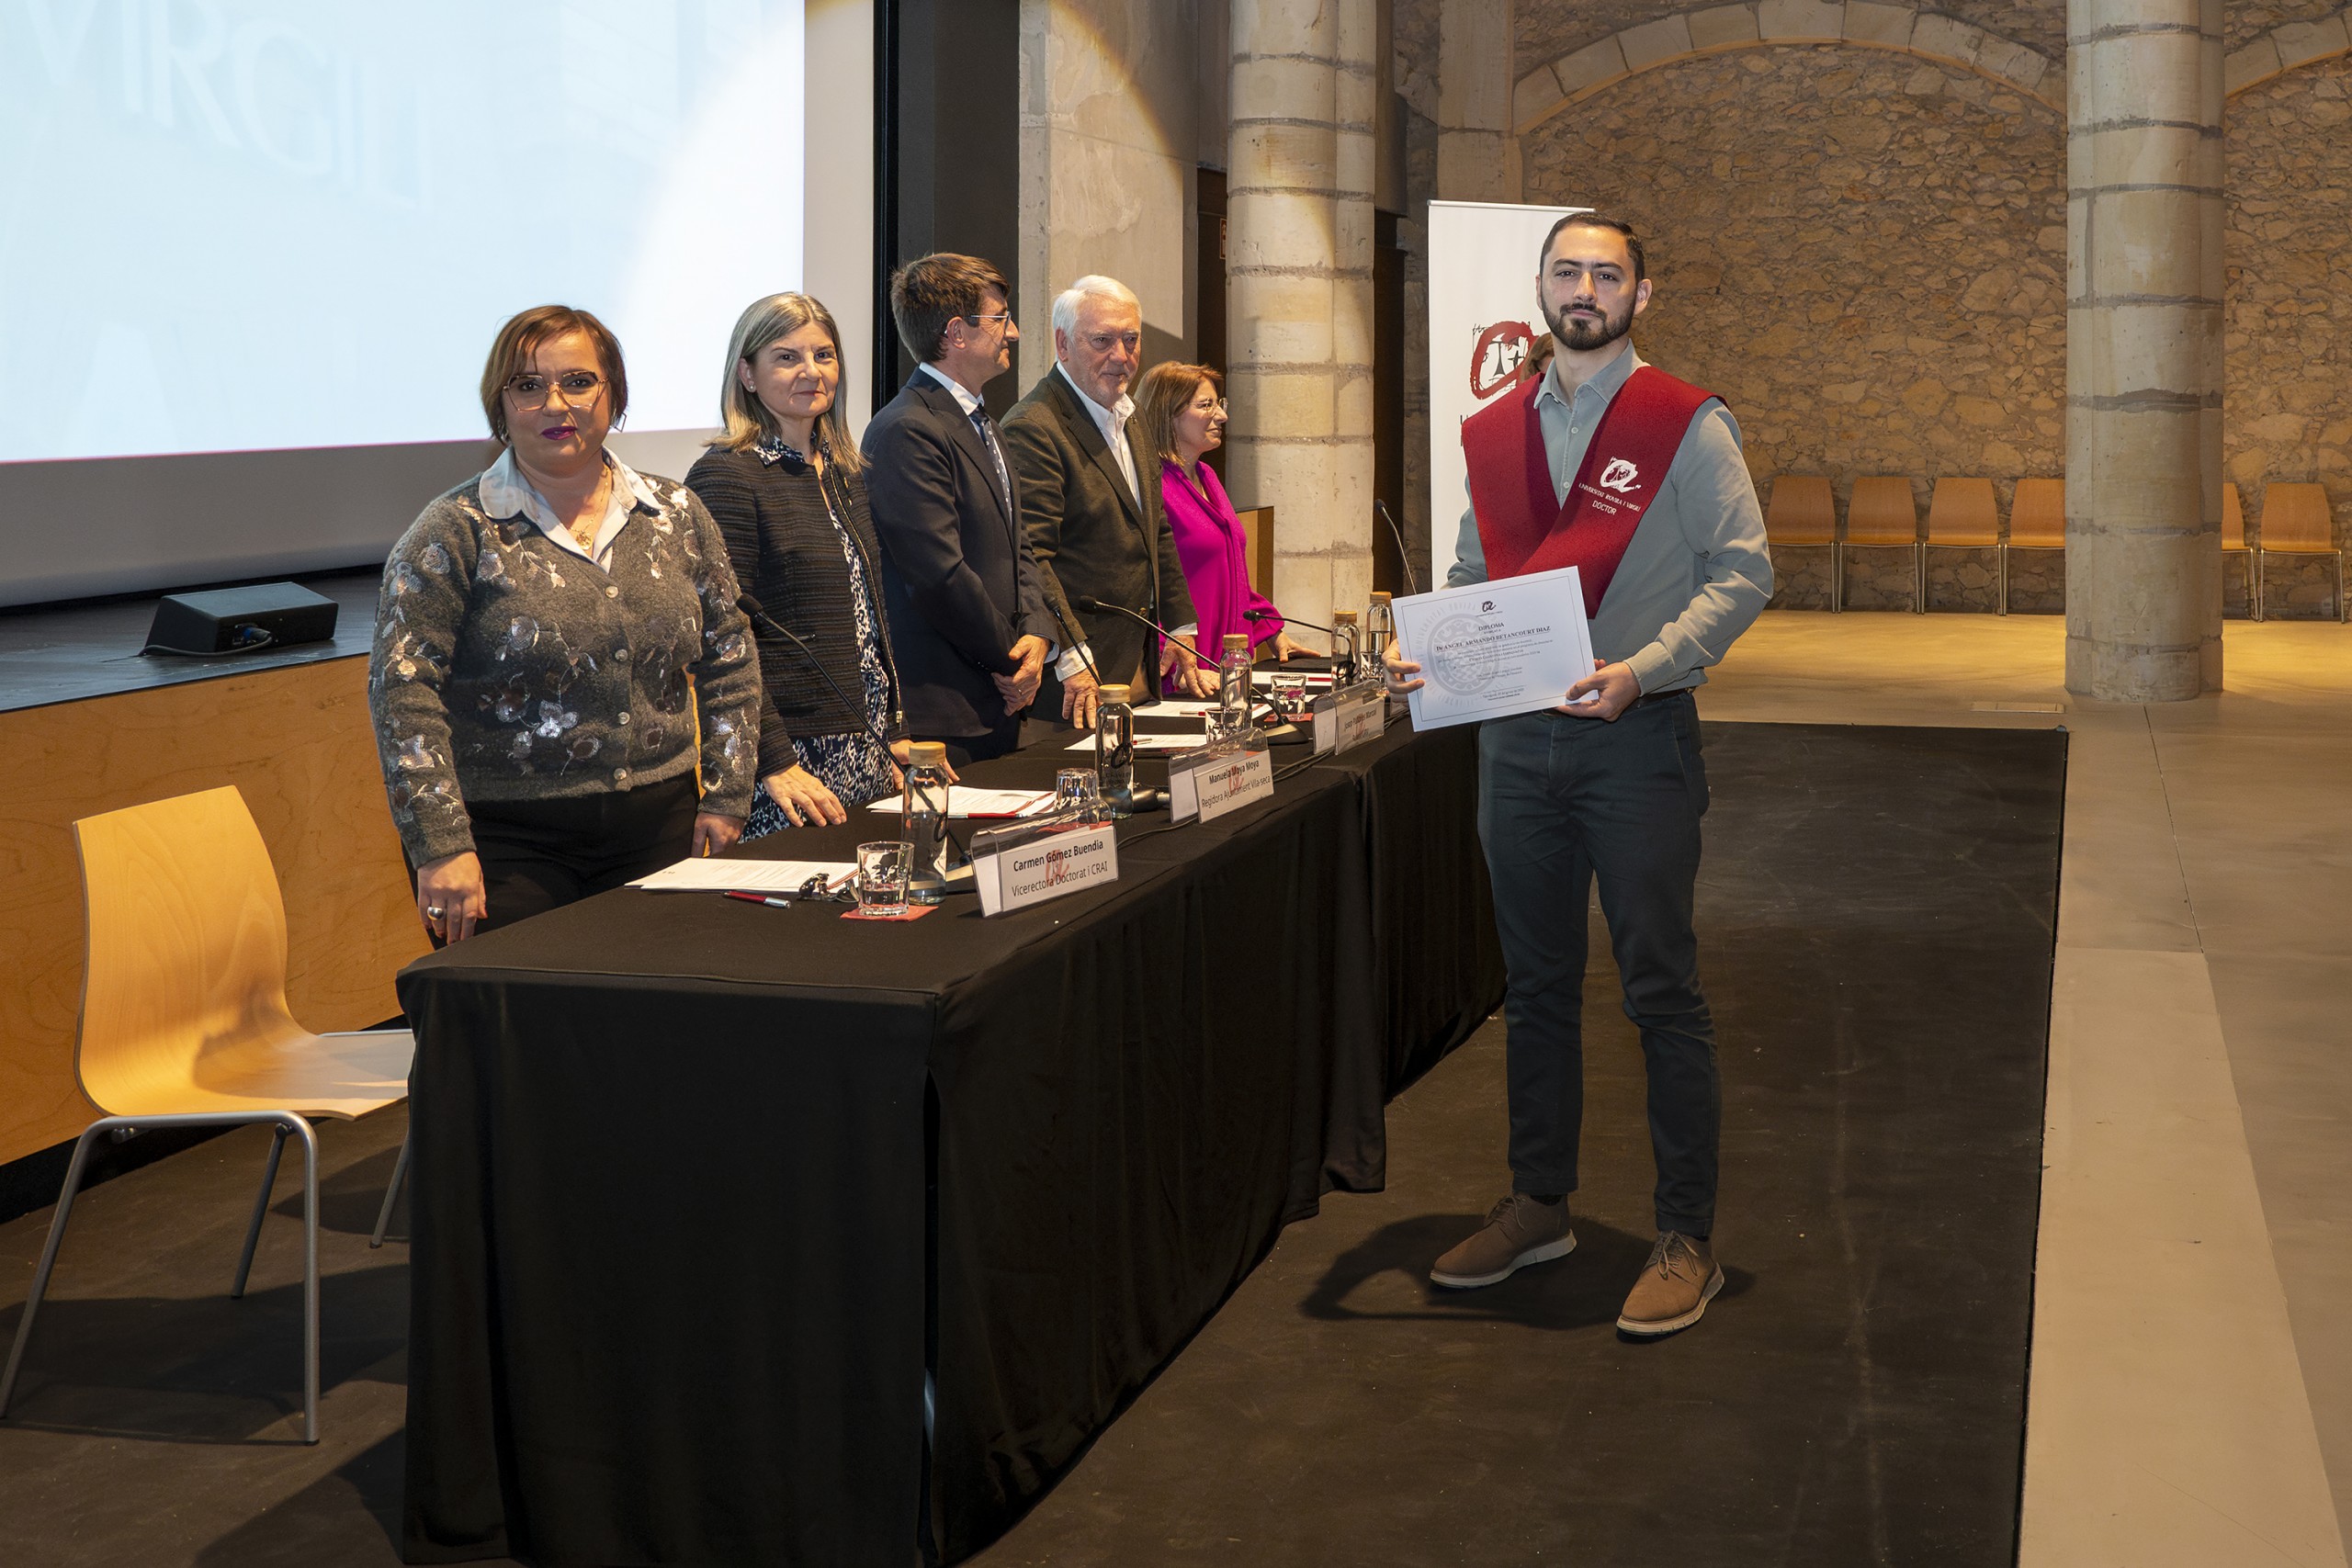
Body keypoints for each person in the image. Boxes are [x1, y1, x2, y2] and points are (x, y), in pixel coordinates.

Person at [1386, 214, 1772, 1337]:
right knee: (1537, 985)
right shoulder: (1498, 427)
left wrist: (1643, 671)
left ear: (1639, 295)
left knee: (1660, 989)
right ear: (1542, 288)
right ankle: (1539, 1205)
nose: (1586, 289)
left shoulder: (1683, 423)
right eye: (1569, 272)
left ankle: (1686, 1236)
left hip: (1635, 740)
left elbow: (1743, 573)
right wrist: (1438, 650)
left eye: (1608, 274)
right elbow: (1474, 571)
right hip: (1515, 746)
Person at [369, 304, 760, 942]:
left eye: (578, 381)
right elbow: (402, 693)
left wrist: (727, 794)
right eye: (528, 385)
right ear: (501, 406)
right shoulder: (452, 532)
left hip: (663, 829)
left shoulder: (677, 513)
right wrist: (439, 845)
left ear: (614, 394)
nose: (556, 403)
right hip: (506, 845)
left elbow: (730, 656)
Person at [686, 293, 949, 834]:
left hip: (866, 747)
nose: (812, 371)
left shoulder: (843, 471)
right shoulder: (726, 476)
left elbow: (868, 618)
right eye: (787, 357)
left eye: (824, 355)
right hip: (789, 763)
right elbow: (723, 639)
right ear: (747, 374)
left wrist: (893, 730)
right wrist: (773, 760)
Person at [861, 254, 1060, 764]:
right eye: (1000, 319)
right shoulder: (906, 429)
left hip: (999, 700)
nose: (1013, 332)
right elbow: (939, 576)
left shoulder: (984, 423)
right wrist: (1011, 661)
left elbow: (1020, 546)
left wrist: (1038, 633)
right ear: (957, 333)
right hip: (947, 713)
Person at [1000, 276, 1210, 728]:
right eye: (1102, 340)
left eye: (1131, 339)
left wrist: (1180, 627)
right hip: (1072, 679)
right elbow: (1031, 557)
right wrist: (1072, 654)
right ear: (1063, 344)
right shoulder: (1034, 427)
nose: (1121, 355)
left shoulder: (1130, 415)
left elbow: (1155, 529)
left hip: (1136, 663)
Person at [1132, 361, 1307, 665]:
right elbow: (1141, 589)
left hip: (1226, 665)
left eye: (1219, 404)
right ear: (1168, 413)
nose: (1222, 416)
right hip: (1183, 668)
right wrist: (1171, 655)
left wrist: (1270, 629)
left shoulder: (1207, 476)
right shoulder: (1152, 485)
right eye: (1206, 405)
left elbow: (1230, 572)